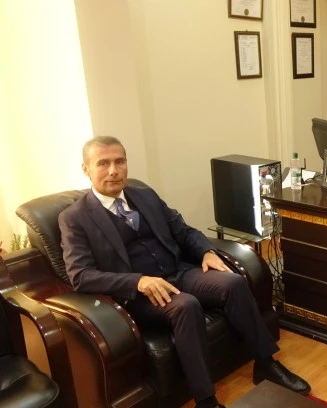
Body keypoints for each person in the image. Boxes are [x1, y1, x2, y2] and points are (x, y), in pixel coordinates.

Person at [59, 136, 310, 408]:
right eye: (103, 164)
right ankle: (206, 400)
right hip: (138, 295)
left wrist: (206, 251)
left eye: (120, 161)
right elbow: (80, 275)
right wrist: (138, 282)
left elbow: (183, 230)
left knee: (233, 283)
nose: (113, 170)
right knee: (186, 306)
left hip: (178, 272)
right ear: (86, 169)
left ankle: (265, 363)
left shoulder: (144, 195)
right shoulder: (74, 218)